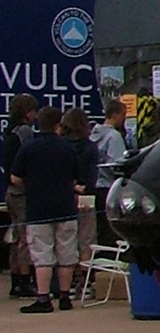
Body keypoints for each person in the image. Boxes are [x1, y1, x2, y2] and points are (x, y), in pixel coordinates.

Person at [9, 106, 95, 313]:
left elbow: (15, 177)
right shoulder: (68, 149)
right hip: (65, 206)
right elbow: (76, 177)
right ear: (58, 124)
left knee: (42, 254)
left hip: (38, 208)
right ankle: (65, 296)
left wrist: (31, 186)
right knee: (66, 252)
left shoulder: (29, 148)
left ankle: (43, 297)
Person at [4, 94, 39, 297]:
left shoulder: (10, 132)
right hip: (22, 191)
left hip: (10, 191)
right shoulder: (25, 132)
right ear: (27, 113)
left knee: (16, 236)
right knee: (26, 237)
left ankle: (16, 279)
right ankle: (26, 280)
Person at [61, 109, 98, 287]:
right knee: (87, 239)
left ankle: (69, 278)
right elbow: (93, 176)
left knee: (67, 240)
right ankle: (86, 280)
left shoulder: (61, 146)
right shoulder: (90, 147)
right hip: (87, 196)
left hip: (65, 196)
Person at [90, 100, 129, 246]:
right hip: (109, 187)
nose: (124, 119)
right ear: (115, 114)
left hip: (95, 186)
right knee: (110, 231)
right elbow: (118, 164)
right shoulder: (114, 136)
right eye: (123, 115)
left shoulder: (93, 134)